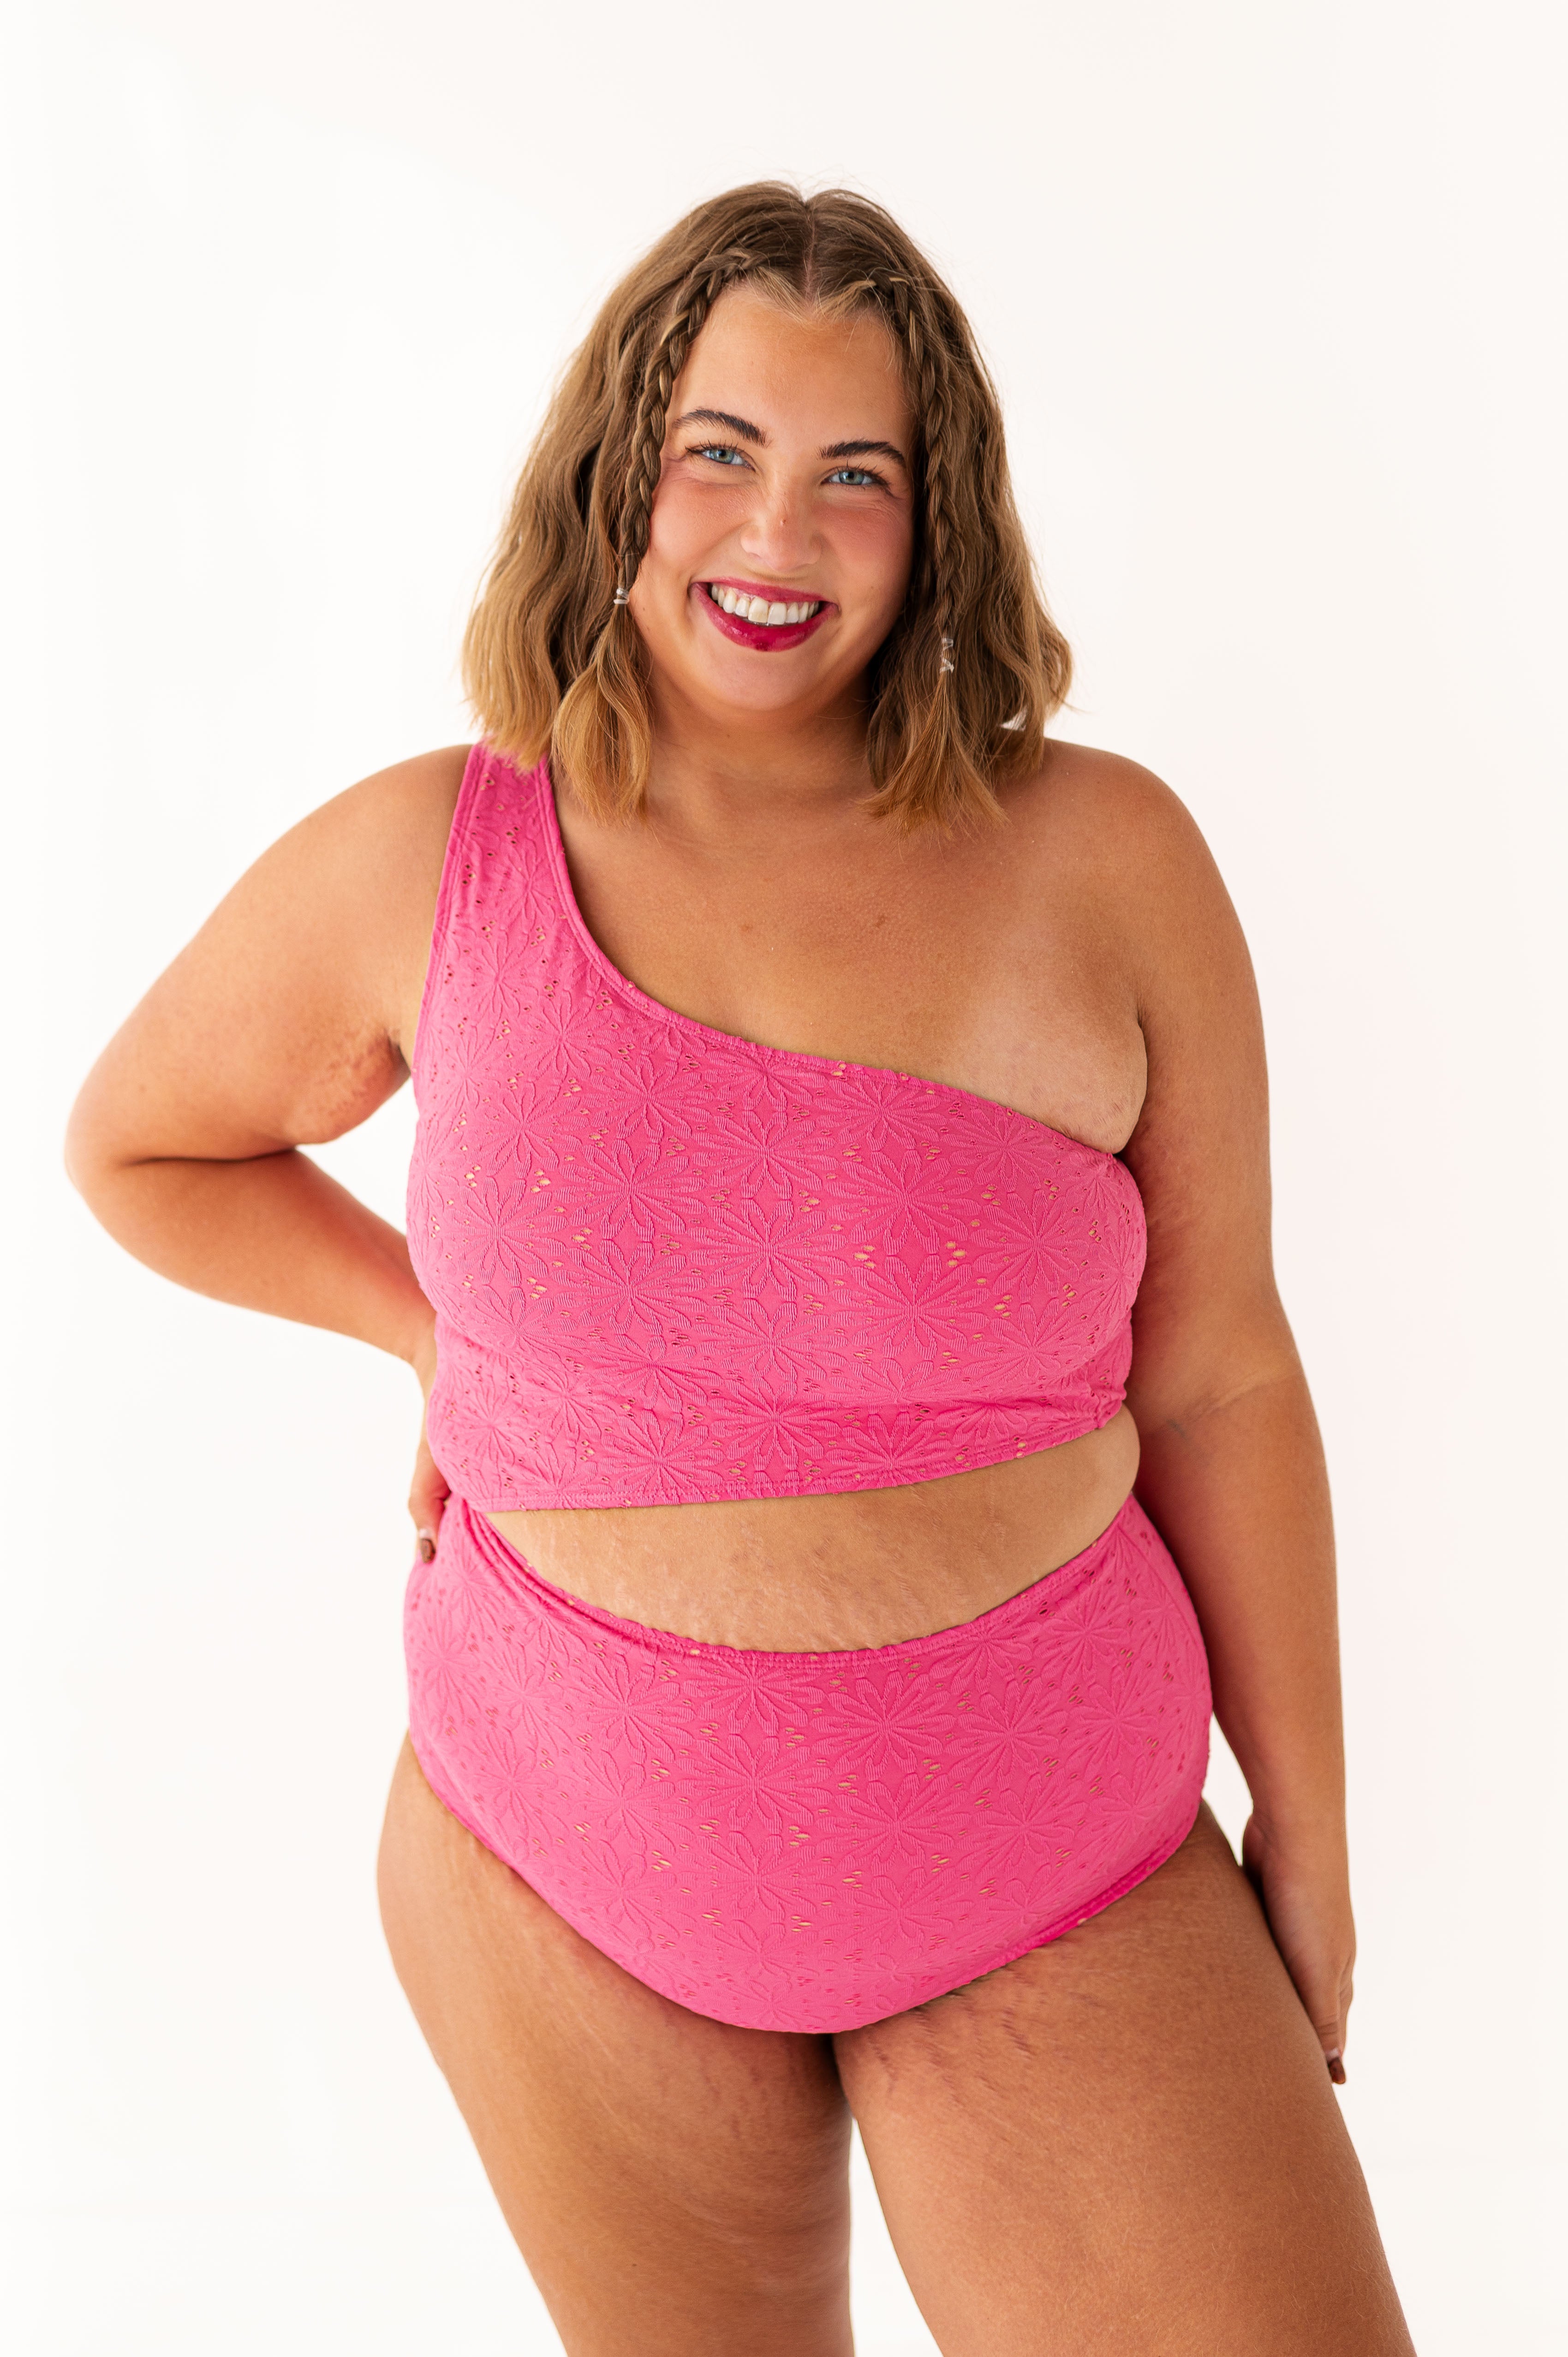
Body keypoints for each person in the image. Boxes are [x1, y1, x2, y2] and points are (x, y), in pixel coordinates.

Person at [66, 183, 1414, 2354]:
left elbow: (1221, 1377)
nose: (778, 534)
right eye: (721, 451)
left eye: (854, 474)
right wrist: (434, 1339)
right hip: (563, 1868)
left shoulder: (1109, 858)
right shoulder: (432, 853)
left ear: (936, 523)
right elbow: (141, 1144)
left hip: (1052, 1858)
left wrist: (1314, 1844)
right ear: (619, 470)